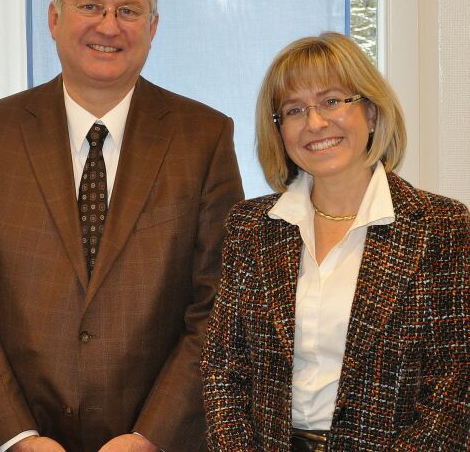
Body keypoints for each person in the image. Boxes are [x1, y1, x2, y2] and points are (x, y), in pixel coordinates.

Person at [0, 0, 244, 452]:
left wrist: (152, 435)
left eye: (128, 10)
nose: (109, 25)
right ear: (55, 18)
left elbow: (220, 308)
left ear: (152, 29)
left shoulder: (203, 138)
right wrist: (18, 438)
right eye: (90, 6)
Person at [201, 31, 470, 450]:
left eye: (331, 101)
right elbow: (223, 369)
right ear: (280, 132)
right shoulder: (251, 227)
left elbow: (455, 389)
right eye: (294, 110)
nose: (315, 123)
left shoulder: (442, 227)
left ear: (372, 112)